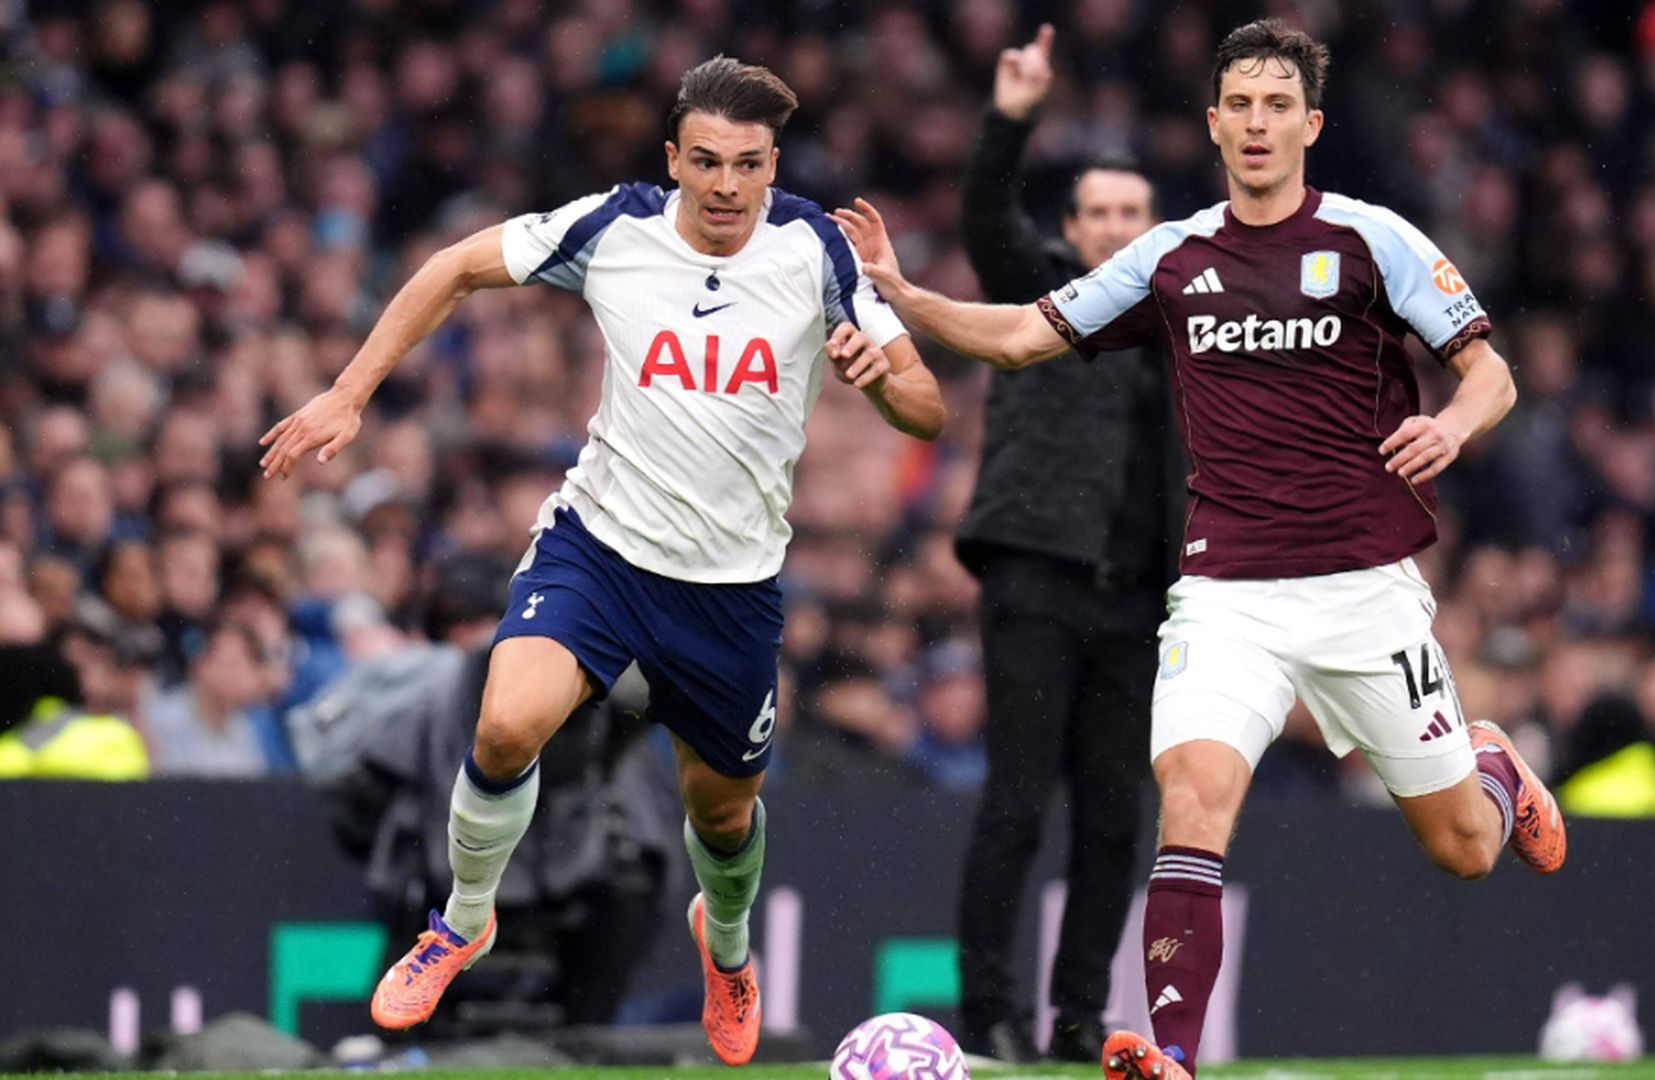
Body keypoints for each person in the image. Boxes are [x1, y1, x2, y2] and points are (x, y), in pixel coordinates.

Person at [833, 20, 1564, 1080]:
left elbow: (1489, 369)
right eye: (1241, 105)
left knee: (1463, 850)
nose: (1258, 123)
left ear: (1309, 124)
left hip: (1363, 590)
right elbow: (1027, 333)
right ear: (1212, 122)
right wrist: (908, 297)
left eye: (1279, 105)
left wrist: (1452, 424)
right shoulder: (1172, 257)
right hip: (1226, 594)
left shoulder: (1372, 239)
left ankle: (1489, 764)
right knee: (1191, 799)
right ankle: (1170, 1052)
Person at [259, 56, 946, 1064]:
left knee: (721, 817)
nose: (724, 185)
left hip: (730, 589)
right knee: (505, 726)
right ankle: (465, 917)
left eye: (746, 165)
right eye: (704, 162)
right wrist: (349, 392)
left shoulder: (815, 250)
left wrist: (877, 378)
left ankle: (728, 947)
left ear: (772, 167)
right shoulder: (613, 228)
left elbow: (926, 404)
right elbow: (453, 265)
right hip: (601, 548)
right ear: (673, 159)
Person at [952, 24, 1181, 1064]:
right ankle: (988, 1014)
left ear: (1154, 227)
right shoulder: (1033, 289)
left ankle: (1080, 1017)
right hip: (1037, 578)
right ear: (1074, 227)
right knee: (1015, 805)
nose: (1115, 228)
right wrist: (1010, 116)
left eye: (1133, 214)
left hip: (1140, 599)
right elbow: (983, 215)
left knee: (1110, 824)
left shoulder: (1184, 320)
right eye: (1099, 212)